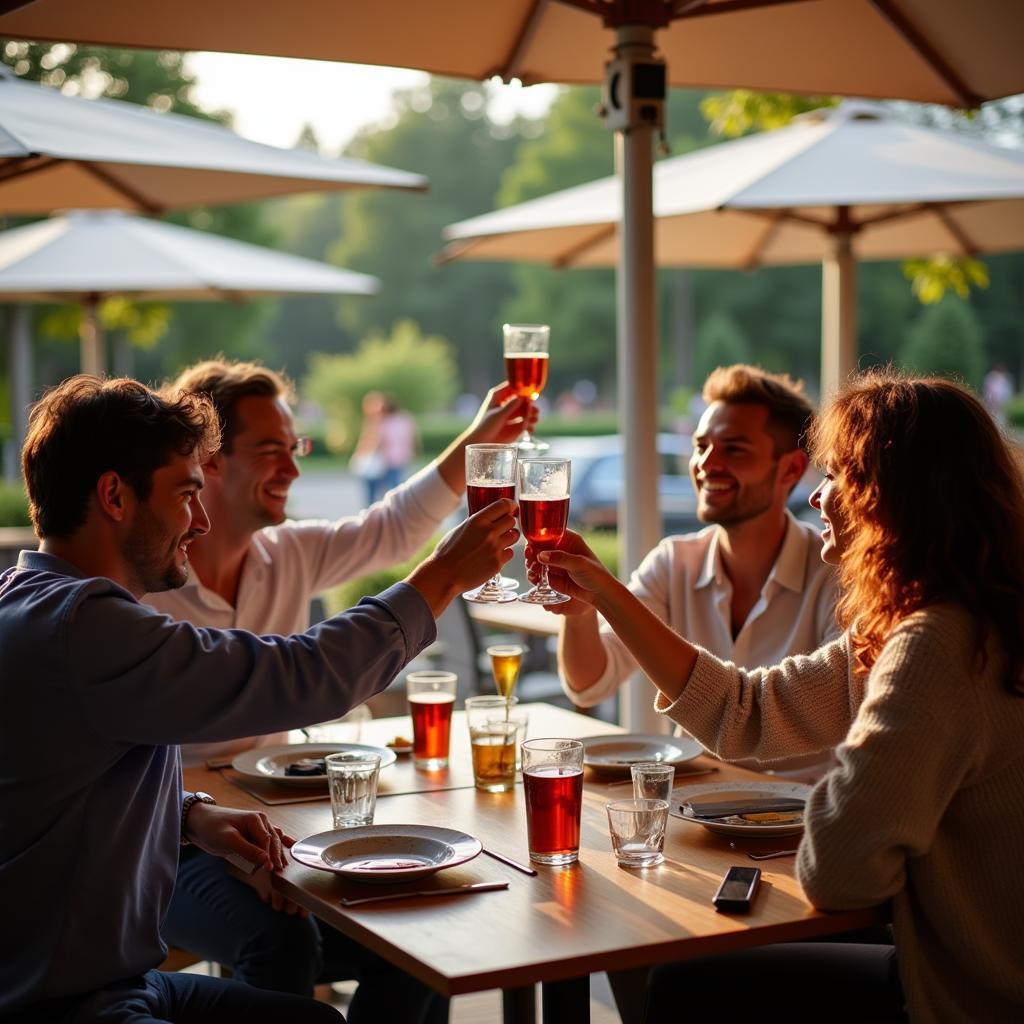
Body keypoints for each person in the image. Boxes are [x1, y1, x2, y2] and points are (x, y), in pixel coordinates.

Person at [0, 375, 517, 1024]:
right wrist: (443, 575)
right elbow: (301, 675)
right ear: (114, 496)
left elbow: (69, 782)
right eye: (187, 494)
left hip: (106, 982)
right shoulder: (87, 625)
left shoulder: (23, 600)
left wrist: (189, 816)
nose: (200, 519)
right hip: (69, 1006)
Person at [537, 370, 1024, 1023]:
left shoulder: (932, 649)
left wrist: (857, 790)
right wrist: (602, 593)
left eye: (842, 479)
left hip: (960, 998)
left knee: (683, 984)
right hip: (956, 968)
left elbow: (839, 872)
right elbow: (750, 714)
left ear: (896, 500)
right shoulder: (942, 626)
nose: (818, 499)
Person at [144, 358, 534, 1017]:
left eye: (294, 449)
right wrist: (217, 832)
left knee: (420, 924)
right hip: (174, 836)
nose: (294, 470)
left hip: (282, 819)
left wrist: (474, 440)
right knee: (282, 938)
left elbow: (393, 527)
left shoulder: (286, 552)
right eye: (272, 451)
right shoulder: (142, 588)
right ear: (207, 461)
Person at [558, 365, 840, 779]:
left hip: (796, 824)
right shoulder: (674, 563)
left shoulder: (836, 574)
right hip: (694, 812)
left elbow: (795, 717)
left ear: (792, 471)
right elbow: (589, 684)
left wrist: (606, 592)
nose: (707, 463)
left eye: (735, 449)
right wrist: (580, 611)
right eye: (701, 445)